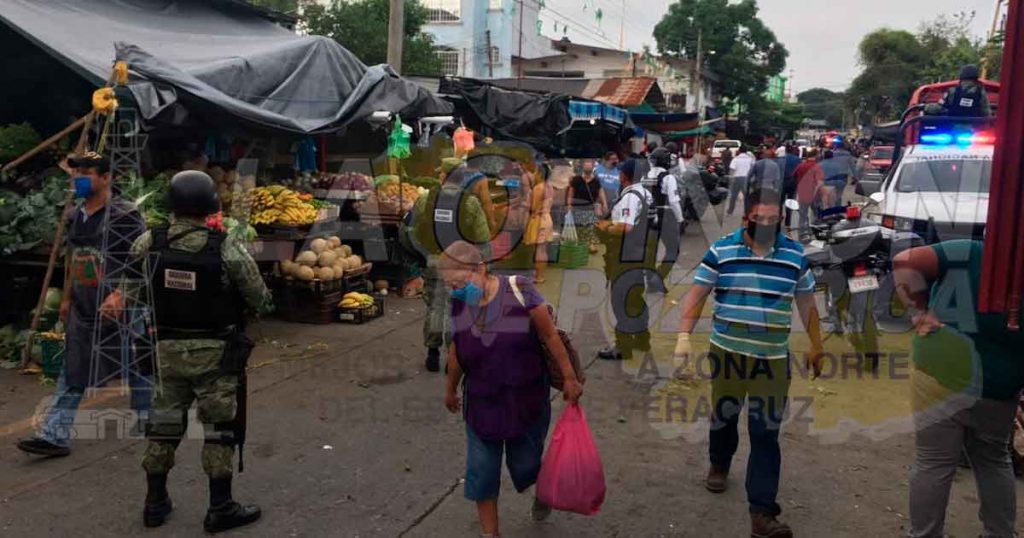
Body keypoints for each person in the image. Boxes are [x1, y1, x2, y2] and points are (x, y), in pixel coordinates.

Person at [119, 171, 272, 532]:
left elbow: (130, 294)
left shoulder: (147, 243)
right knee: (219, 429)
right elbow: (260, 298)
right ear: (210, 207)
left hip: (166, 353)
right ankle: (220, 507)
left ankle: (154, 503)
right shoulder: (225, 246)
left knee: (163, 426)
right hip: (216, 355)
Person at [674, 188, 824, 538]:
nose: (768, 226)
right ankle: (719, 462)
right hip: (727, 352)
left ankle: (761, 513)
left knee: (765, 432)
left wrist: (817, 344)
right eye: (761, 220)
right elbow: (697, 297)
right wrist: (683, 336)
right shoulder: (722, 250)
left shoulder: (794, 255)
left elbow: (807, 304)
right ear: (747, 219)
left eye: (775, 221)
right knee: (724, 416)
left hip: (772, 360)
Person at [441, 240, 582, 538]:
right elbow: (457, 350)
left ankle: (543, 490)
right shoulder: (459, 304)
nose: (456, 290)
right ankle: (490, 534)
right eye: (450, 285)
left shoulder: (520, 289)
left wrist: (569, 377)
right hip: (481, 402)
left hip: (526, 401)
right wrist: (450, 388)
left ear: (481, 269)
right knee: (482, 472)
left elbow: (550, 336)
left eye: (461, 282)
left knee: (526, 466)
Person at [16, 151, 151, 458]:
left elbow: (142, 259)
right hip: (84, 303)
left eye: (87, 172)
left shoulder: (125, 215)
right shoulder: (76, 215)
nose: (79, 178)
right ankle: (54, 435)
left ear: (107, 178)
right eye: (76, 172)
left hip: (122, 306)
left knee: (136, 364)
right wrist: (65, 298)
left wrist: (121, 295)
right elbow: (73, 259)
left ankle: (147, 417)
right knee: (73, 367)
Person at [893, 240, 1024, 538]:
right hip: (1000, 383)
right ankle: (1000, 533)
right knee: (993, 458)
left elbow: (904, 261)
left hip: (942, 373)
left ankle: (925, 534)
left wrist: (920, 312)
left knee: (933, 461)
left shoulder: (975, 252)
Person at [409, 158, 492, 373]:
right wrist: (482, 268)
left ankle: (432, 354)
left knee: (434, 307)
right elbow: (483, 239)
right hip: (460, 265)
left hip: (434, 262)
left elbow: (411, 232)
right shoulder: (470, 203)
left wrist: (422, 255)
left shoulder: (425, 199)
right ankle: (452, 358)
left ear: (444, 176)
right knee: (455, 309)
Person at [596, 159, 656, 361]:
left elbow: (625, 227)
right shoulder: (645, 193)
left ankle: (623, 346)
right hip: (640, 253)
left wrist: (605, 227)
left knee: (621, 299)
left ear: (625, 175)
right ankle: (641, 339)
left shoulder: (631, 197)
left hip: (626, 255)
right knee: (635, 297)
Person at [643, 147, 685, 288]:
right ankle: (658, 277)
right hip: (665, 216)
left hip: (648, 216)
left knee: (651, 251)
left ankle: (650, 280)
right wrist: (680, 219)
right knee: (673, 250)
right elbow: (673, 201)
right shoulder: (668, 177)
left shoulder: (644, 177)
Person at [566, 159, 609, 255]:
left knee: (590, 226)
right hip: (578, 208)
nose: (588, 167)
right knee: (580, 228)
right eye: (586, 166)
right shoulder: (576, 179)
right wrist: (569, 205)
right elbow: (571, 193)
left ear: (593, 167)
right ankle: (582, 246)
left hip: (590, 207)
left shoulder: (596, 180)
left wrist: (604, 204)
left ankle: (591, 244)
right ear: (583, 167)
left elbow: (600, 192)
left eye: (590, 166)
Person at [524, 164, 556, 284]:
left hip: (538, 220)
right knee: (543, 249)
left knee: (540, 250)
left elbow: (531, 206)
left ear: (540, 174)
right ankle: (540, 274)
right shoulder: (550, 187)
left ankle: (539, 276)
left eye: (536, 172)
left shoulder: (538, 188)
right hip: (547, 218)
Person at [928, 64, 993, 118]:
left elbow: (940, 108)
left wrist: (926, 107)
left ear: (961, 76)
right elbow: (986, 112)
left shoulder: (952, 91)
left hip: (951, 128)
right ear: (976, 78)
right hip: (975, 130)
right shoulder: (981, 92)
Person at [793, 149, 824, 234]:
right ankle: (816, 230)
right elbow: (819, 182)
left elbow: (794, 176)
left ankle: (802, 230)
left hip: (803, 194)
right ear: (815, 156)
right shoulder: (816, 167)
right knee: (817, 214)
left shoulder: (801, 166)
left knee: (803, 214)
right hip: (815, 194)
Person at [726, 145, 755, 215]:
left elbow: (732, 169)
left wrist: (731, 178)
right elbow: (753, 168)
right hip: (746, 179)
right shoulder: (750, 159)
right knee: (747, 196)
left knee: (733, 196)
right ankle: (748, 211)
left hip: (737, 178)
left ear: (739, 150)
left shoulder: (736, 159)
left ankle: (730, 211)